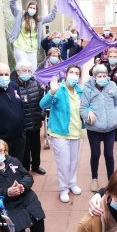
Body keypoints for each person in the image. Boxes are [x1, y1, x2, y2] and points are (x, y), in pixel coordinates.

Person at [40, 64, 84, 203]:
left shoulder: (79, 91)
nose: (74, 75)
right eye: (71, 72)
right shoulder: (59, 89)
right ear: (66, 74)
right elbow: (43, 104)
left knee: (73, 161)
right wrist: (51, 92)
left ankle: (72, 183)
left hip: (75, 132)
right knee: (63, 163)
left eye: (77, 73)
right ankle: (63, 188)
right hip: (60, 133)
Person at [80, 64, 117, 192]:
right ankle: (94, 178)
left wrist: (116, 115)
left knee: (109, 154)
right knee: (95, 154)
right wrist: (88, 114)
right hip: (94, 129)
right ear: (94, 77)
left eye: (104, 75)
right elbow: (82, 107)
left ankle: (111, 180)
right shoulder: (88, 88)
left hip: (110, 128)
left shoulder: (112, 86)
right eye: (99, 76)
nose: (102, 78)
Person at [9, 0, 57, 70]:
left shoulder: (39, 20)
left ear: (36, 10)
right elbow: (11, 3)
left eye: (34, 8)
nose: (32, 9)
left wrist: (56, 5)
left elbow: (51, 17)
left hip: (32, 49)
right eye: (30, 7)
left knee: (33, 71)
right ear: (27, 8)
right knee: (23, 68)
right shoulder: (20, 14)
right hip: (20, 47)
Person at [13, 60, 46, 175]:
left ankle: (36, 166)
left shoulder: (35, 83)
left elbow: (42, 101)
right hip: (22, 125)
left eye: (29, 71)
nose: (27, 73)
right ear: (18, 71)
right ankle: (25, 169)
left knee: (36, 147)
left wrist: (42, 114)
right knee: (25, 150)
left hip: (35, 121)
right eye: (24, 70)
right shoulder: (13, 86)